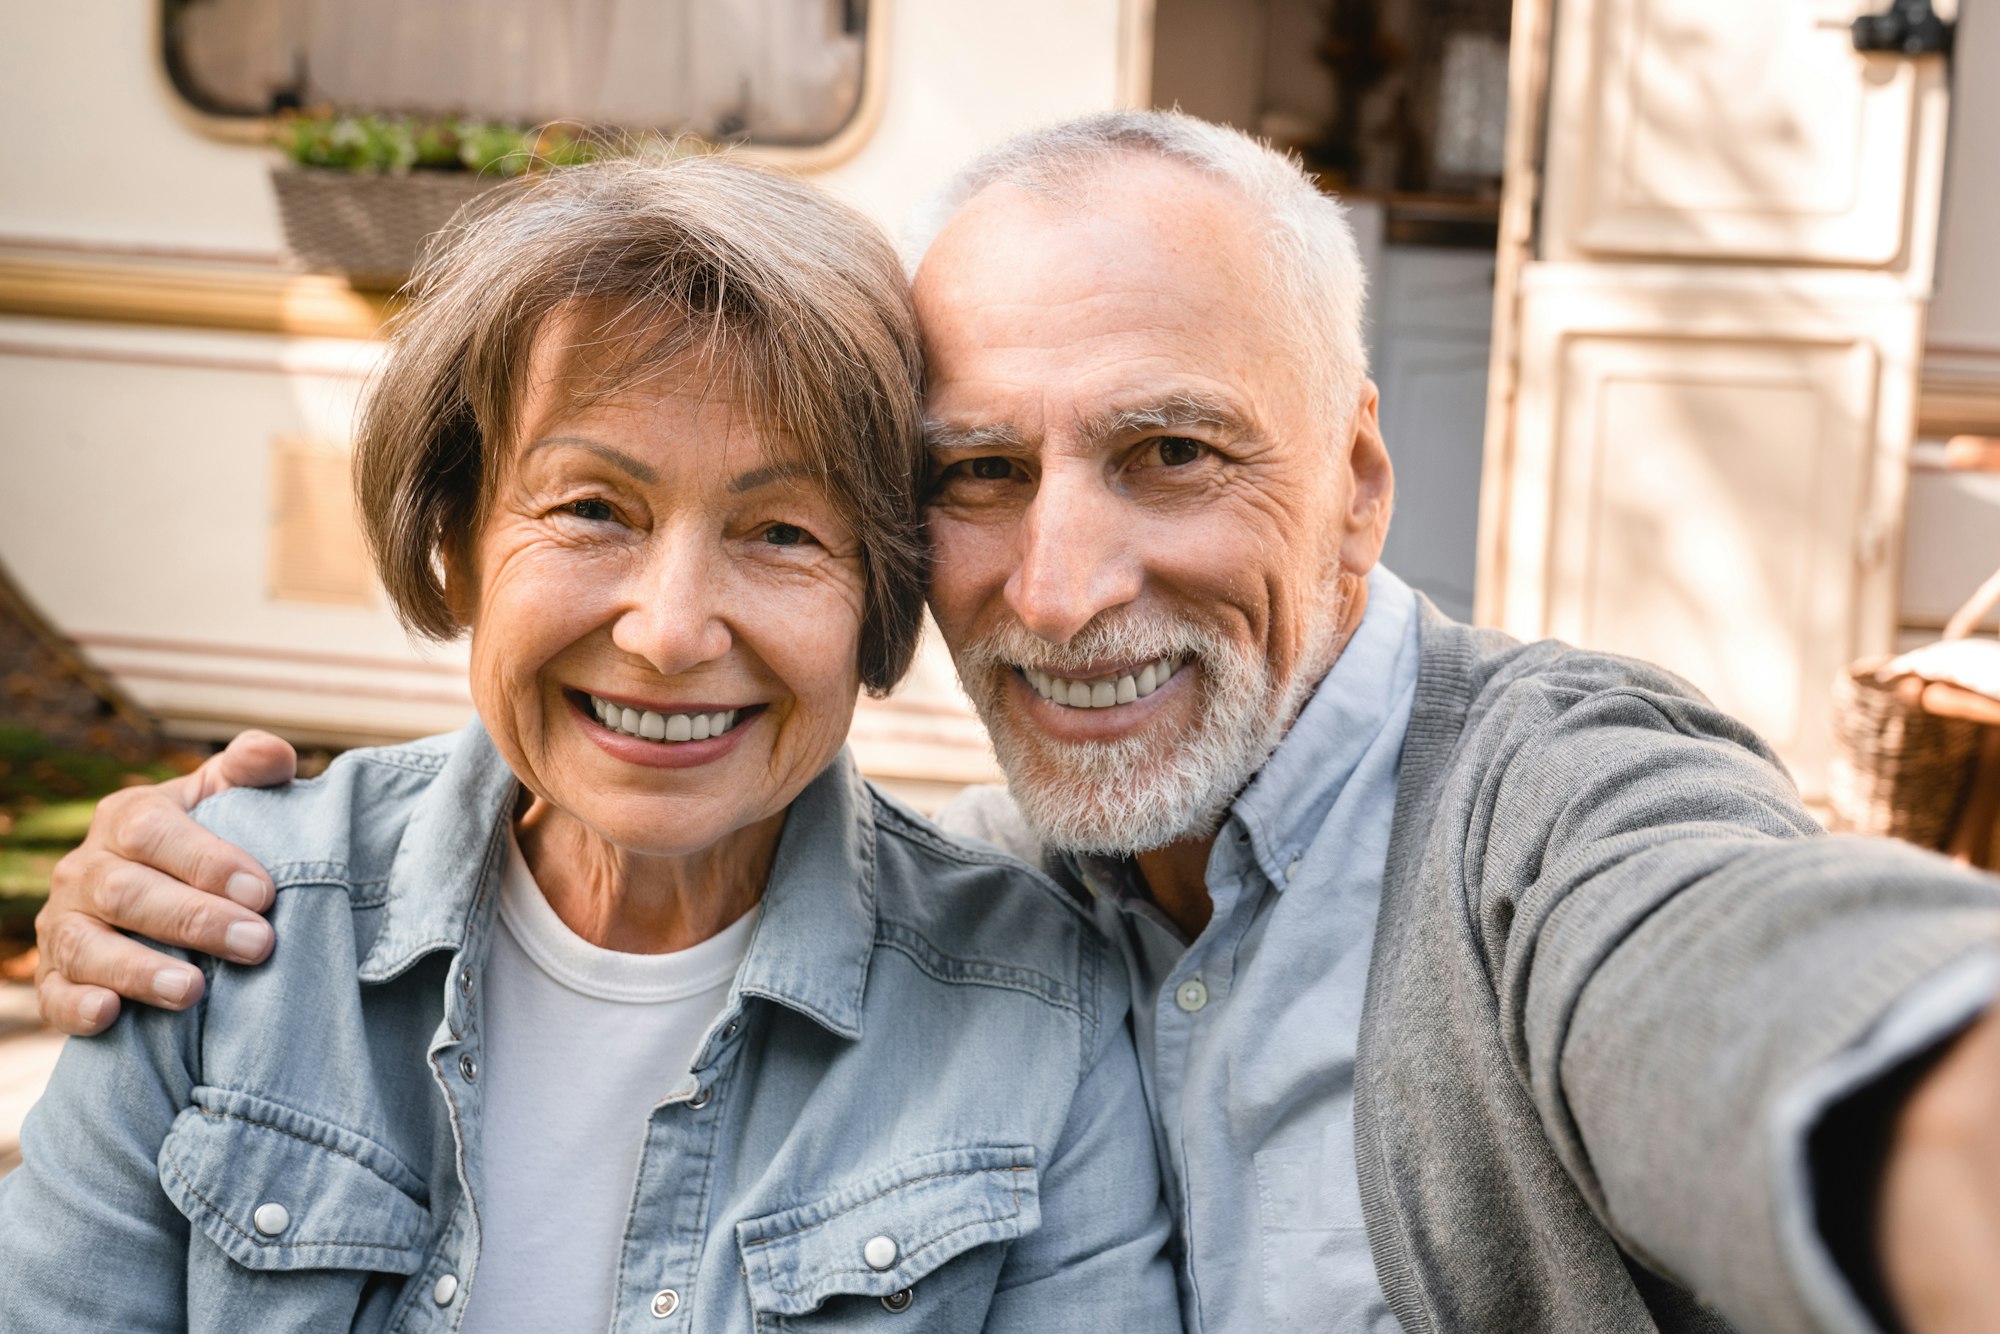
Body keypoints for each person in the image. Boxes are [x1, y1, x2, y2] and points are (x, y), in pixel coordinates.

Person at [32, 111, 2000, 1333]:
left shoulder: (1538, 814)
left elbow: (1751, 978)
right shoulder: (996, 886)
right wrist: (154, 881)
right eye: (977, 474)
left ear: (1359, 485)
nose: (1058, 587)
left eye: (1172, 452)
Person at [0, 154, 1179, 1332]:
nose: (668, 631)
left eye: (779, 530)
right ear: (456, 539)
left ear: (875, 602)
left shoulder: (1036, 1013)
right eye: (592, 508)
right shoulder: (224, 924)